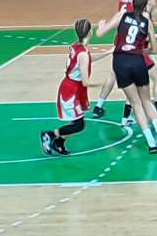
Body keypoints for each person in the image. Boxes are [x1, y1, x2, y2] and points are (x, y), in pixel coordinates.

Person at [97, 0, 157, 154]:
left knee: (136, 104)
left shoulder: (121, 15)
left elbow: (100, 33)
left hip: (120, 62)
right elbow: (154, 50)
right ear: (146, 5)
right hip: (137, 61)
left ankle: (151, 143)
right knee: (146, 100)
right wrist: (141, 51)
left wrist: (101, 26)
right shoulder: (148, 22)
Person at [40, 19, 111, 156]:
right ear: (90, 32)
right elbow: (85, 82)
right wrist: (102, 84)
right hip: (71, 90)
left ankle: (59, 142)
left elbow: (87, 59)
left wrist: (108, 52)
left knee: (76, 122)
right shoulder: (83, 53)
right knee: (79, 125)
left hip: (74, 88)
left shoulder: (75, 46)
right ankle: (50, 134)